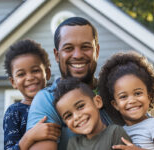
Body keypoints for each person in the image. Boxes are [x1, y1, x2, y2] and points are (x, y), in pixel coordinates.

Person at [27, 17, 112, 150]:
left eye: (85, 47)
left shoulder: (115, 93)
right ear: (56, 55)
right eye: (68, 48)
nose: (77, 55)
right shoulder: (47, 100)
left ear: (97, 51)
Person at [98, 52, 154, 150]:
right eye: (123, 96)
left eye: (138, 93)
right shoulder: (120, 131)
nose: (131, 100)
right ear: (115, 104)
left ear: (149, 96)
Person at [3, 39, 61, 150]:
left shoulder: (59, 100)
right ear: (13, 82)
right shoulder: (14, 112)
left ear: (47, 73)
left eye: (35, 70)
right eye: (21, 74)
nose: (29, 78)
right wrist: (30, 136)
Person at [53, 77, 131, 150]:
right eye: (69, 115)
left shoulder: (114, 133)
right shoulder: (73, 144)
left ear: (97, 102)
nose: (76, 117)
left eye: (80, 106)